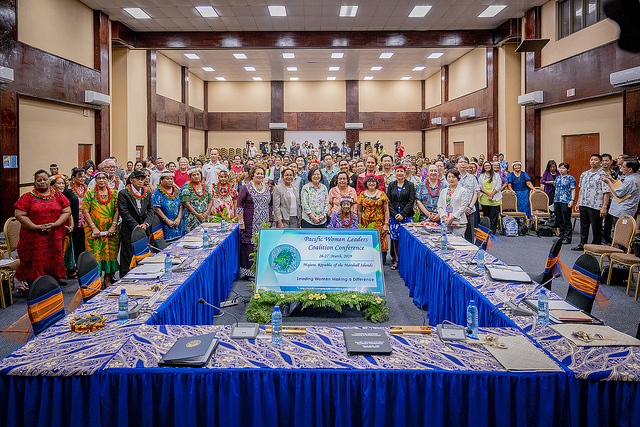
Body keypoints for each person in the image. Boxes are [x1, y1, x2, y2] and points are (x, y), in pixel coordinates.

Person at [14, 170, 71, 291]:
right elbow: (19, 214)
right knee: (35, 259)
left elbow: (67, 211)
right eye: (39, 180)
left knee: (55, 257)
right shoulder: (27, 197)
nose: (42, 182)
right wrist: (36, 227)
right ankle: (35, 285)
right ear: (34, 182)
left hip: (54, 234)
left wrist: (56, 224)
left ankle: (53, 282)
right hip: (33, 235)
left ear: (49, 181)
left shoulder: (58, 196)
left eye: (45, 179)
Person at [82, 170, 119, 287]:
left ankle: (107, 278)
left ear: (107, 180)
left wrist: (113, 225)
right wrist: (93, 227)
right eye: (99, 178)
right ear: (95, 180)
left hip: (110, 229)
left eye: (104, 178)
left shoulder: (114, 193)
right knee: (95, 254)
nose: (102, 180)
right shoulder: (89, 194)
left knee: (110, 254)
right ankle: (95, 282)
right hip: (93, 230)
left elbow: (117, 210)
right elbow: (85, 211)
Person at [118, 170, 154, 278]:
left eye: (142, 179)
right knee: (128, 255)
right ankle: (125, 277)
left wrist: (146, 223)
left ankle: (142, 275)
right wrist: (136, 226)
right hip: (129, 229)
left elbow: (151, 210)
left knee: (143, 253)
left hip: (144, 228)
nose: (140, 181)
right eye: (138, 179)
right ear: (131, 180)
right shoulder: (124, 193)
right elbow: (124, 212)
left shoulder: (147, 192)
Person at [237, 165, 271, 278]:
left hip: (264, 222)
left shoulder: (267, 187)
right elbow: (239, 205)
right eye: (257, 173)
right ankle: (249, 272)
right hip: (249, 222)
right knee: (249, 245)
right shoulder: (246, 187)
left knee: (262, 244)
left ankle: (261, 270)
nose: (259, 175)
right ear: (253, 174)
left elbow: (269, 204)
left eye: (261, 173)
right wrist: (241, 222)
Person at [572, 154, 610, 251]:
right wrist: (578, 202)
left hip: (596, 204)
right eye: (591, 159)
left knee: (596, 226)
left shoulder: (603, 174)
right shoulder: (584, 174)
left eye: (595, 160)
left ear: (600, 162)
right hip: (584, 203)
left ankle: (596, 245)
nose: (593, 161)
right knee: (583, 225)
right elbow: (581, 189)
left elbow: (606, 192)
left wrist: (604, 206)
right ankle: (582, 244)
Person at [387, 165, 416, 270]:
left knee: (406, 239)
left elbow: (411, 201)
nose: (399, 173)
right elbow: (388, 201)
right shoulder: (391, 185)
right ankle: (397, 260)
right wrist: (395, 214)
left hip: (407, 216)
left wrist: (403, 214)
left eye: (401, 171)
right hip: (394, 217)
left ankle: (406, 261)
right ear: (395, 173)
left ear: (405, 172)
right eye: (397, 171)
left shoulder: (410, 185)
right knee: (395, 239)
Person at [357, 174, 390, 263]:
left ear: (376, 183)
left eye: (373, 181)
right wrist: (359, 224)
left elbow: (386, 211)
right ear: (366, 183)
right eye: (369, 181)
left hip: (379, 223)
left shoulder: (382, 194)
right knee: (368, 242)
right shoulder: (362, 194)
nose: (371, 183)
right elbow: (359, 211)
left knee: (380, 241)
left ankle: (381, 261)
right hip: (366, 223)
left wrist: (386, 224)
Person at [601, 158, 640, 226]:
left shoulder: (631, 180)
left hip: (622, 211)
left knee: (620, 231)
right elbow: (621, 188)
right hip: (624, 210)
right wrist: (611, 179)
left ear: (630, 169)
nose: (621, 168)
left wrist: (609, 182)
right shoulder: (635, 177)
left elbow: (618, 193)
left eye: (623, 167)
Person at [51, 175, 77, 278]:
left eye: (63, 183)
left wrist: (72, 225)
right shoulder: (51, 198)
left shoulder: (65, 196)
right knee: (58, 252)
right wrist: (63, 226)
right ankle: (57, 275)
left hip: (68, 227)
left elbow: (70, 213)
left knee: (67, 251)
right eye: (59, 183)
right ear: (52, 185)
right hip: (57, 228)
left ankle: (66, 271)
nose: (62, 185)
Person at [438, 168, 470, 236]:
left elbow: (463, 207)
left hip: (458, 223)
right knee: (445, 240)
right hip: (445, 222)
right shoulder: (443, 191)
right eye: (449, 177)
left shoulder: (463, 191)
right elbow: (439, 206)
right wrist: (445, 218)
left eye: (454, 177)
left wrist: (452, 218)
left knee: (457, 241)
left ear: (458, 178)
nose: (451, 179)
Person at [152, 171, 183, 242]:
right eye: (167, 179)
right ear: (161, 180)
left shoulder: (177, 190)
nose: (170, 180)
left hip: (177, 223)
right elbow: (156, 208)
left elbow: (181, 204)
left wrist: (178, 218)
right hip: (163, 224)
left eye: (171, 179)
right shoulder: (157, 193)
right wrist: (167, 220)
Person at [181, 167, 213, 233]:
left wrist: (206, 213)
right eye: (194, 175)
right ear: (190, 177)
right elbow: (187, 204)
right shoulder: (187, 188)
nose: (196, 176)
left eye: (198, 174)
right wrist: (197, 214)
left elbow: (210, 201)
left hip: (204, 217)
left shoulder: (206, 187)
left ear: (201, 176)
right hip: (192, 218)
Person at [456, 156, 480, 242]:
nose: (463, 164)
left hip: (469, 210)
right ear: (457, 164)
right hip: (457, 210)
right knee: (457, 233)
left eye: (465, 162)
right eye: (461, 162)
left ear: (468, 165)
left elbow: (475, 193)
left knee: (469, 234)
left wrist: (470, 207)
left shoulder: (472, 178)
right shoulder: (453, 177)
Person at [68, 167, 87, 271]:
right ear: (73, 178)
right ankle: (73, 268)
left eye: (84, 176)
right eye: (80, 176)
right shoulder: (68, 191)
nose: (82, 179)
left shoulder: (87, 189)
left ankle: (83, 266)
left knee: (84, 245)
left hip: (85, 222)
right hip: (74, 223)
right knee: (74, 246)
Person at [553, 162, 576, 244]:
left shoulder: (571, 178)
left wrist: (572, 200)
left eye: (563, 168)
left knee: (566, 220)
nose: (561, 170)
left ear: (568, 169)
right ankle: (561, 236)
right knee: (559, 219)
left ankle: (567, 237)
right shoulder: (557, 178)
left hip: (566, 201)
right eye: (560, 168)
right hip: (557, 200)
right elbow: (556, 189)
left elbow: (573, 190)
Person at [477, 161, 503, 234]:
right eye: (485, 166)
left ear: (491, 166)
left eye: (488, 165)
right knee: (486, 217)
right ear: (483, 167)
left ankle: (492, 233)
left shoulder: (496, 175)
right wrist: (488, 193)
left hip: (495, 198)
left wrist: (492, 194)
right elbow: (480, 186)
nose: (487, 167)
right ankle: (486, 232)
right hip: (484, 198)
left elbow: (498, 186)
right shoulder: (481, 176)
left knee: (494, 217)